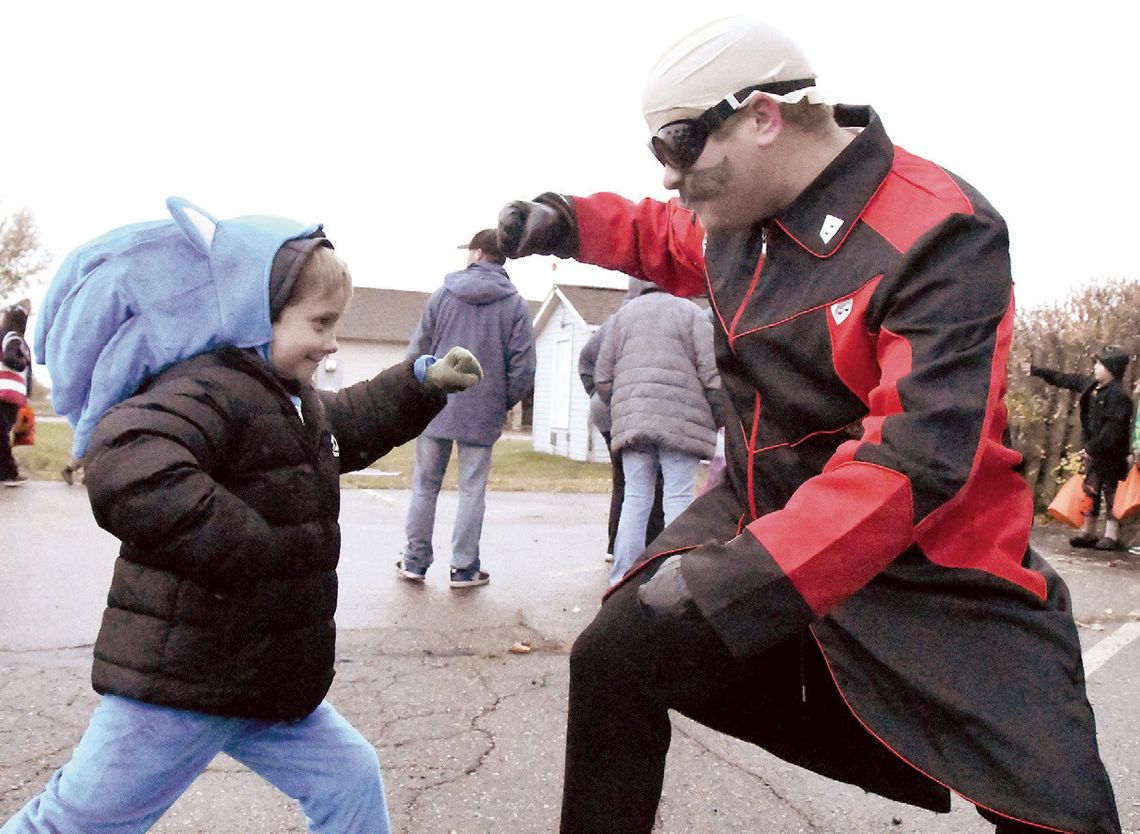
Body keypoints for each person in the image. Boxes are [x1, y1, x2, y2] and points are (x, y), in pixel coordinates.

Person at [494, 17, 1120, 834]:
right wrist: (564, 220)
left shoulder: (940, 232)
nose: (672, 176)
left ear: (762, 116)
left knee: (1065, 816)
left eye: (680, 145)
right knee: (616, 658)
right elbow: (662, 233)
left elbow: (916, 460)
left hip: (929, 569)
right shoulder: (738, 214)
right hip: (771, 512)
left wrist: (738, 581)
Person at [4, 197, 482, 834]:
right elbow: (128, 458)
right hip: (180, 681)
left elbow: (344, 424)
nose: (331, 343)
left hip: (259, 676)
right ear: (261, 313)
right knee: (79, 822)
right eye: (320, 324)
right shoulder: (203, 386)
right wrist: (250, 546)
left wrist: (418, 383)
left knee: (350, 780)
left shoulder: (287, 400)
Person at [396, 229, 535, 589]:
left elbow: (418, 352)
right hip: (483, 408)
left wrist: (419, 391)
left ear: (476, 254)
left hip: (434, 405)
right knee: (472, 490)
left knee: (425, 485)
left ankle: (414, 561)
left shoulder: (442, 295)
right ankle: (464, 569)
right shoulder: (515, 305)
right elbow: (523, 366)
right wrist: (501, 400)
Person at [594, 276, 726, 585]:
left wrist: (624, 405)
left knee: (636, 499)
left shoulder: (622, 317)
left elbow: (602, 377)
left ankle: (621, 580)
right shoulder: (692, 314)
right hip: (682, 423)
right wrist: (719, 416)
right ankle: (673, 580)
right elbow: (712, 374)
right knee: (677, 499)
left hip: (634, 423)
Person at [577, 291, 664, 562]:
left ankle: (615, 545)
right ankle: (652, 546)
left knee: (623, 479)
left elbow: (585, 360)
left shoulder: (614, 320)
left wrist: (598, 395)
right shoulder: (657, 317)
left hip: (608, 409)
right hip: (628, 408)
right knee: (652, 480)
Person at [1023, 347, 1133, 551]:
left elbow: (1113, 430)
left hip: (1111, 454)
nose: (1096, 367)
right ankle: (1088, 531)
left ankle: (1111, 534)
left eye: (1100, 364)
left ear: (1111, 369)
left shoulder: (1119, 397)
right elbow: (1065, 379)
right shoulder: (1091, 387)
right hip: (1093, 451)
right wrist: (1036, 370)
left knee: (1111, 493)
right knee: (1090, 490)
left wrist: (1092, 448)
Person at [0, 299, 33, 486]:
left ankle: (6, 472)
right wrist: (22, 363)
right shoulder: (14, 337)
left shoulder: (4, 335)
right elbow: (13, 359)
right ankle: (9, 472)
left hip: (7, 393)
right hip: (8, 393)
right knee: (3, 434)